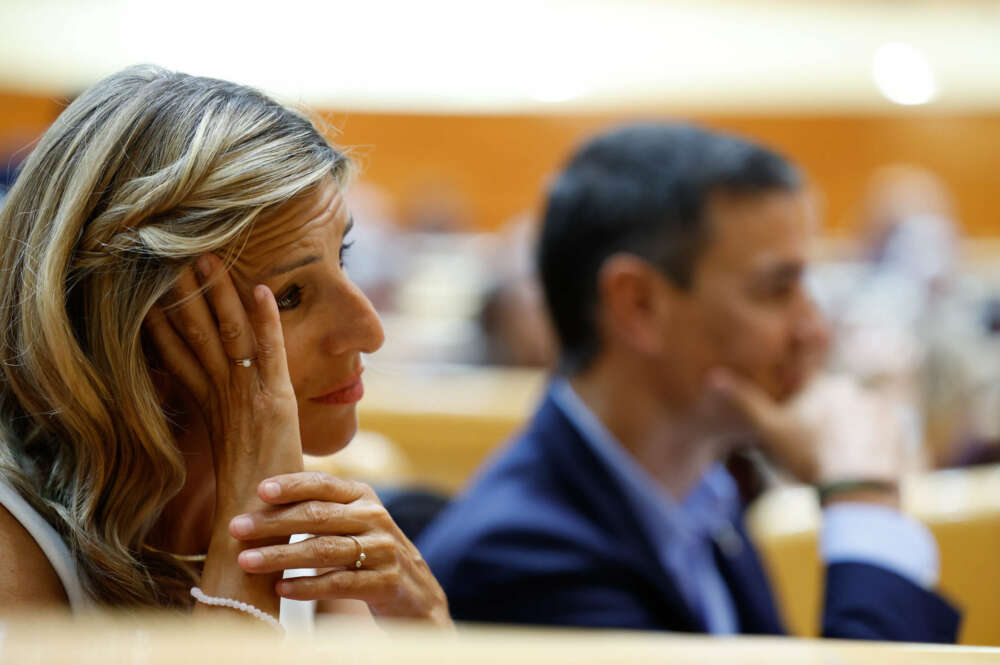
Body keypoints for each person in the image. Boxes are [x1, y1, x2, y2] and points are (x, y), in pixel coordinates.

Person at [418, 124, 959, 642]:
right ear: (638, 305)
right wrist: (863, 500)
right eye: (776, 290)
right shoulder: (522, 561)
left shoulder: (701, 491)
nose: (815, 330)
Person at [0, 65, 449, 628]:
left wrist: (427, 624)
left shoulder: (312, 522)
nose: (369, 331)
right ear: (133, 333)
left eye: (344, 256)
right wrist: (247, 550)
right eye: (289, 296)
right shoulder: (15, 550)